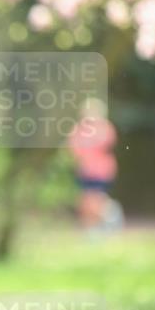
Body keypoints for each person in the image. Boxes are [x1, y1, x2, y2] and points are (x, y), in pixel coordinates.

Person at [68, 98, 121, 233]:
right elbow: (73, 148)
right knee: (85, 200)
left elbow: (107, 143)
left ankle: (110, 217)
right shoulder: (79, 129)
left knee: (96, 198)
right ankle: (92, 228)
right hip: (84, 170)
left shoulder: (105, 127)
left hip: (101, 171)